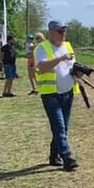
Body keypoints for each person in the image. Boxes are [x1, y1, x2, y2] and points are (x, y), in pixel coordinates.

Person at [35, 20, 80, 171]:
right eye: (60, 32)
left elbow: (72, 65)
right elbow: (42, 67)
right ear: (52, 32)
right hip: (51, 94)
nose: (63, 34)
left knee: (63, 127)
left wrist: (78, 71)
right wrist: (61, 58)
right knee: (59, 126)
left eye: (64, 31)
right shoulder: (42, 48)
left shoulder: (67, 46)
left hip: (68, 92)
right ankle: (67, 157)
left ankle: (55, 155)